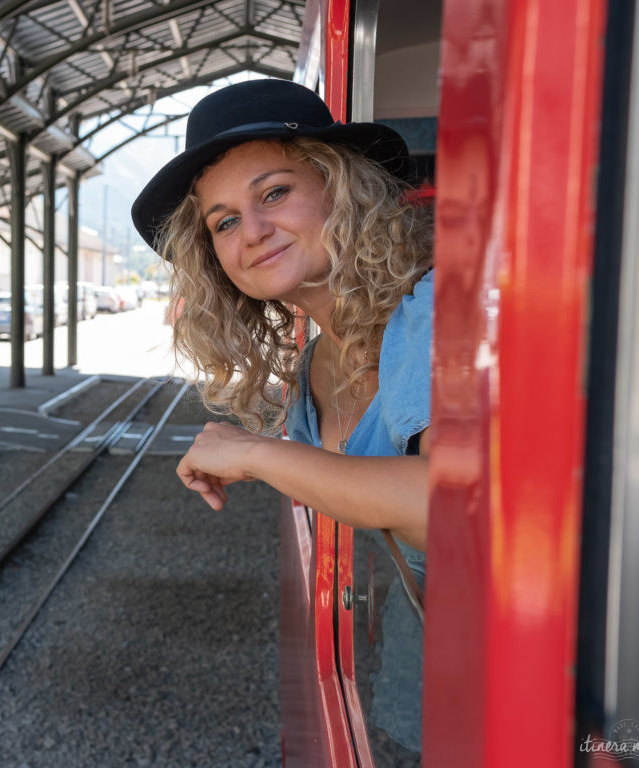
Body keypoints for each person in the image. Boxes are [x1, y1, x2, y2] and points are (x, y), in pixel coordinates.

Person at [131, 78, 432, 762]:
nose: (254, 231)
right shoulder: (316, 369)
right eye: (225, 221)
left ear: (341, 186)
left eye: (273, 193)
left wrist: (256, 455)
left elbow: (450, 503)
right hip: (423, 682)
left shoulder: (429, 311)